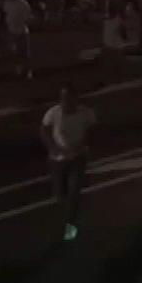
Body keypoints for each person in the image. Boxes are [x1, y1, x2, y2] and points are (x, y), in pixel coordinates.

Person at [40, 84, 96, 241]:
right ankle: (65, 219)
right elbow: (44, 131)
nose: (65, 101)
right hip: (57, 161)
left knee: (74, 193)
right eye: (63, 98)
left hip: (78, 159)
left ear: (76, 98)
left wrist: (82, 145)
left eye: (69, 98)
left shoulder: (86, 113)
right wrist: (54, 148)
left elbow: (92, 130)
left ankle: (70, 227)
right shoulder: (53, 113)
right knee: (60, 195)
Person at [2, 0, 33, 78]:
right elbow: (5, 14)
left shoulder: (23, 4)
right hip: (11, 30)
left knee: (24, 52)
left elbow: (27, 17)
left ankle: (27, 70)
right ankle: (17, 69)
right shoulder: (6, 3)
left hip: (22, 30)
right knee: (14, 52)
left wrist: (21, 24)